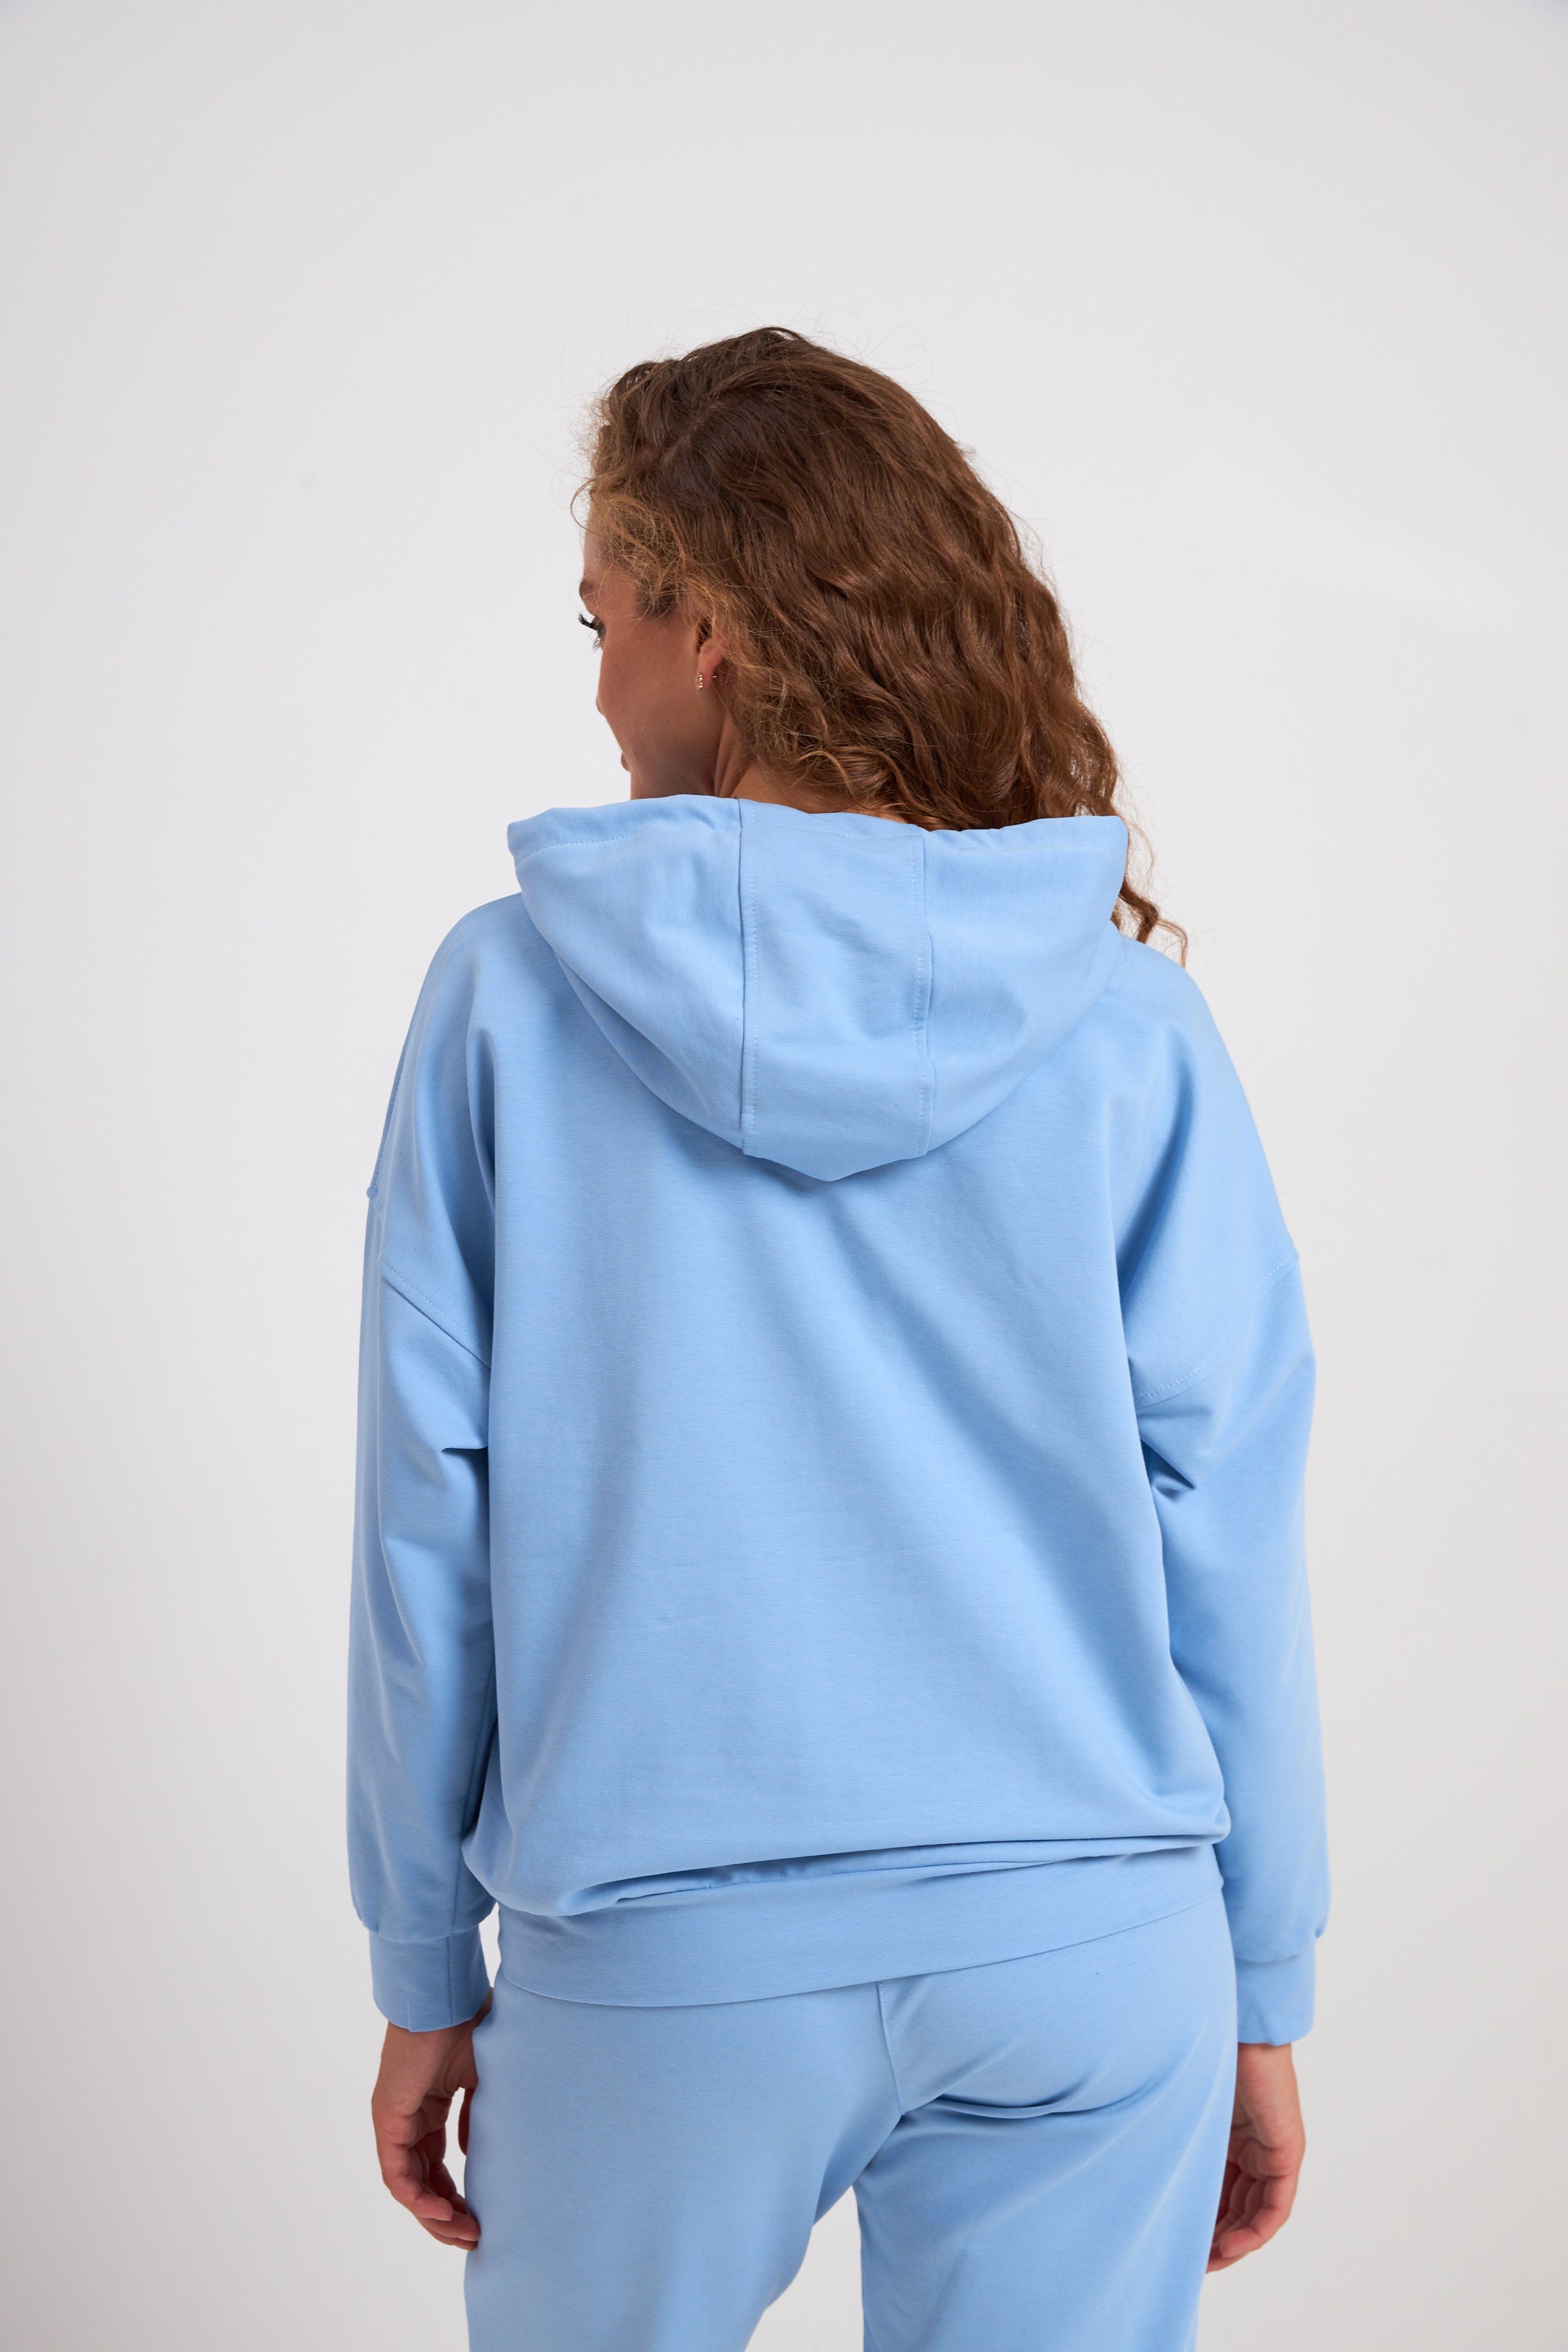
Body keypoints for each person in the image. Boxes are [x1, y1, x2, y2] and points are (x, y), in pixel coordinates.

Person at [348, 327, 1328, 2352]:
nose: (597, 685)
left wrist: (425, 1960)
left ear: (708, 635)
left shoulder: (510, 1003)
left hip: (662, 1957)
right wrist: (1260, 1976)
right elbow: (1228, 1512)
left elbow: (426, 1521)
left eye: (606, 623)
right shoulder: (1127, 1023)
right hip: (1090, 1945)